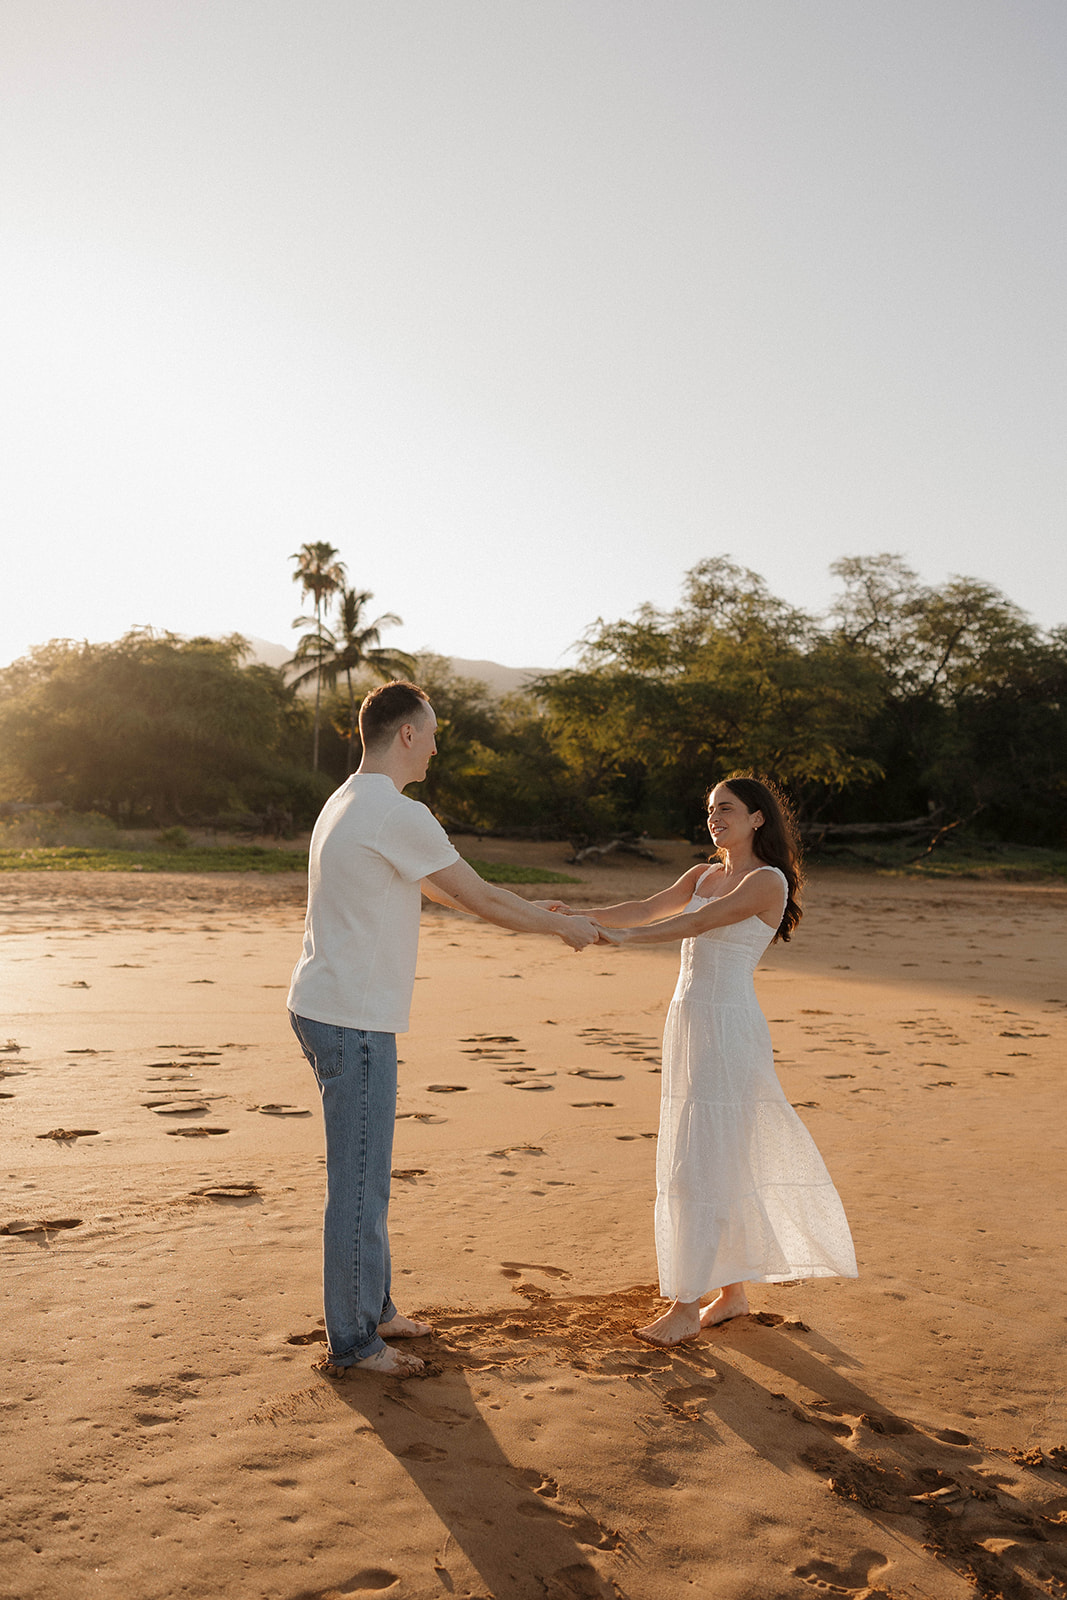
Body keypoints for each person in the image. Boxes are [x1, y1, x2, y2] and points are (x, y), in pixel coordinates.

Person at [287, 681, 602, 1378]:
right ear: (405, 734)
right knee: (361, 1183)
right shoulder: (398, 811)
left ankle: (377, 1311)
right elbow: (477, 895)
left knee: (365, 1176)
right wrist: (561, 927)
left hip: (322, 1005)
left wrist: (531, 905)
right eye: (431, 733)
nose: (435, 745)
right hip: (352, 1020)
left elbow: (438, 885)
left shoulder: (347, 800)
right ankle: (354, 1343)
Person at [586, 774, 857, 1345]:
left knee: (701, 1157)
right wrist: (584, 917)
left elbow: (699, 922)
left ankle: (686, 1305)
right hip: (689, 1023)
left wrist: (625, 944)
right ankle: (732, 1294)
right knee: (714, 1154)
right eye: (710, 809)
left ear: (758, 817)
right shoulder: (705, 873)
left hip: (729, 1028)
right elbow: (647, 905)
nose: (714, 818)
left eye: (726, 809)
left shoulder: (767, 881)